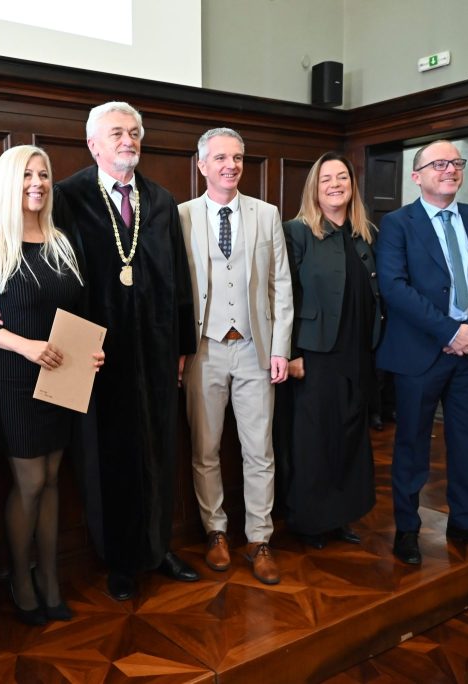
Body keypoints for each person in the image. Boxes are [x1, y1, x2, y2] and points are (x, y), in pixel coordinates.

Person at [52, 101, 198, 601]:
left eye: (134, 132)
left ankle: (158, 548)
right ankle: (118, 560)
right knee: (106, 456)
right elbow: (50, 269)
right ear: (92, 143)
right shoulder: (67, 197)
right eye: (116, 132)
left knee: (158, 449)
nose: (127, 139)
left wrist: (181, 344)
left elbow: (179, 277)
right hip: (95, 351)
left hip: (155, 348)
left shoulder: (160, 199)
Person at [0, 145, 103, 625]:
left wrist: (92, 350)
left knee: (53, 479)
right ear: (8, 183)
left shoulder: (62, 241)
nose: (37, 183)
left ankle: (51, 580)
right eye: (27, 175)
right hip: (15, 376)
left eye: (43, 174)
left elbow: (79, 311)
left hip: (64, 373)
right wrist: (24, 346)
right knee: (31, 481)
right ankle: (21, 580)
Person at [376, 140, 468, 565]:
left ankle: (466, 521)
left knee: (467, 442)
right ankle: (407, 528)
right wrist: (449, 330)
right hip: (420, 353)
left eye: (456, 163)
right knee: (412, 444)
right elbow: (393, 287)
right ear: (416, 176)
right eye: (438, 164)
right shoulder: (397, 223)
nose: (450, 169)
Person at [177, 128, 292, 585]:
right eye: (221, 158)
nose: (231, 165)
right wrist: (179, 349)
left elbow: (281, 286)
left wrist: (280, 348)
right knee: (205, 449)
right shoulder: (181, 216)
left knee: (259, 449)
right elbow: (176, 290)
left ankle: (259, 539)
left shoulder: (266, 214)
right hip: (203, 350)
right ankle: (216, 532)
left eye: (238, 158)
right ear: (202, 165)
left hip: (253, 348)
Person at [276, 152, 380, 550]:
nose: (336, 184)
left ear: (352, 186)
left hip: (357, 351)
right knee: (313, 439)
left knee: (350, 434)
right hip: (313, 353)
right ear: (314, 189)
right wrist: (290, 352)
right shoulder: (297, 232)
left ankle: (340, 517)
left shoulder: (364, 234)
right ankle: (310, 522)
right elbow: (284, 294)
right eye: (326, 179)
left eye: (342, 178)